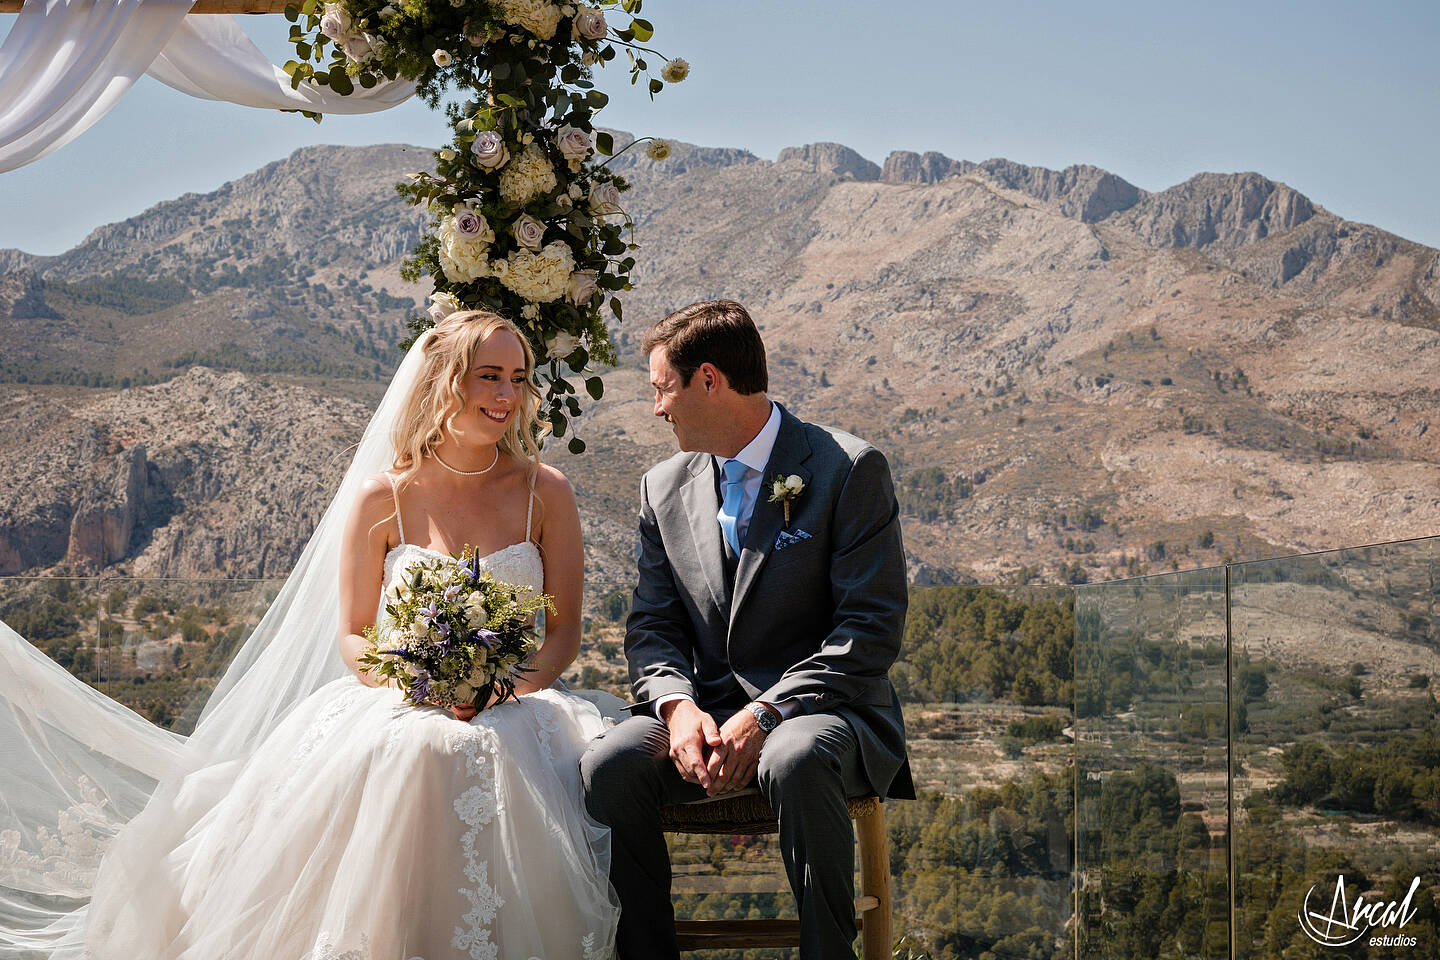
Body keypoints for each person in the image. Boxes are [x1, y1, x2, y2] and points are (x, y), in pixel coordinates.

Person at [0, 311, 619, 959]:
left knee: (462, 752)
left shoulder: (545, 492)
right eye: (488, 376)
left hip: (521, 702)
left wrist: (496, 691)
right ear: (442, 381)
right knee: (417, 749)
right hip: (402, 697)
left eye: (517, 379)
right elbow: (354, 636)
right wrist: (420, 684)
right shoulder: (383, 498)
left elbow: (564, 632)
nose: (505, 395)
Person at [580, 299, 914, 960]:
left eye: (662, 389)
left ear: (709, 380)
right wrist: (677, 710)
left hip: (824, 715)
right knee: (607, 766)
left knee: (793, 755)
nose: (657, 409)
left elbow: (868, 633)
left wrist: (766, 713)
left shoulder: (846, 469)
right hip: (700, 719)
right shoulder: (660, 487)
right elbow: (651, 629)